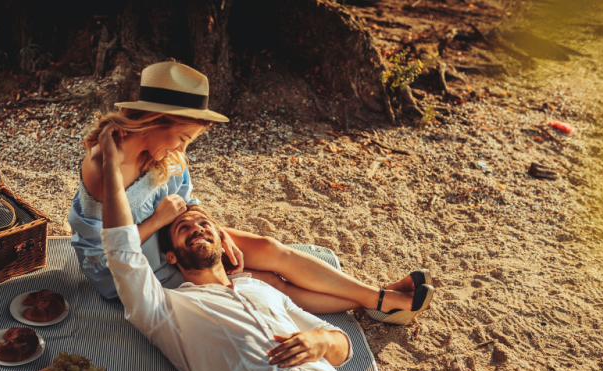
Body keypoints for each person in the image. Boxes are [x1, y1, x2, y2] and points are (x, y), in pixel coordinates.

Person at [97, 122, 466, 371]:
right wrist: (112, 166)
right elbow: (121, 249)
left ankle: (379, 299)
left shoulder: (261, 289)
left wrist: (320, 338)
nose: (198, 228)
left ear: (223, 242)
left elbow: (342, 345)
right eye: (185, 229)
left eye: (205, 225)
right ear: (170, 257)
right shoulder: (165, 308)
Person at [68, 61, 431, 323]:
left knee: (270, 249)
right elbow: (106, 257)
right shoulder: (104, 166)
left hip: (172, 233)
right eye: (181, 138)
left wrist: (213, 229)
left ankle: (379, 298)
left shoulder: (164, 151)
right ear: (157, 120)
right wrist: (160, 219)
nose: (182, 151)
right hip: (131, 267)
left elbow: (188, 200)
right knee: (264, 281)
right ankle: (382, 304)